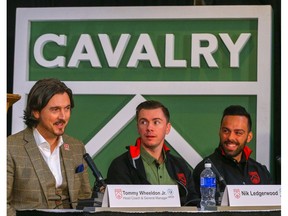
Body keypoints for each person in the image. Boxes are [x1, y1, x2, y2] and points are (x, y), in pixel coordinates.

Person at [7, 78, 92, 216]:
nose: (63, 116)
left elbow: (85, 199)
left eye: (67, 108)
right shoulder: (10, 147)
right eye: (55, 110)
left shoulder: (77, 147)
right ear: (36, 112)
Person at [106, 100, 198, 206]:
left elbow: (193, 203)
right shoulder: (121, 165)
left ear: (167, 128)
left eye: (156, 122)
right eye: (143, 122)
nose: (149, 128)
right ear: (137, 128)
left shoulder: (180, 165)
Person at [192, 105, 272, 204]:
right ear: (219, 132)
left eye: (238, 132)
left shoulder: (260, 171)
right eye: (226, 131)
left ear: (249, 137)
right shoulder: (205, 170)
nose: (230, 137)